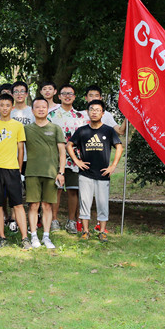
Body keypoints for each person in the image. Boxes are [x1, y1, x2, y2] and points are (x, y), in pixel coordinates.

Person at [67, 100, 123, 242]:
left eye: (98, 110)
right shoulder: (82, 130)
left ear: (103, 113)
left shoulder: (108, 130)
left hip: (103, 173)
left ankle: (102, 231)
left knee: (102, 203)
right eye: (92, 109)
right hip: (86, 173)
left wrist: (113, 166)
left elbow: (119, 147)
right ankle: (85, 231)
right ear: (88, 112)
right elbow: (69, 145)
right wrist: (77, 161)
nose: (94, 112)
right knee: (85, 203)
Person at [0, 94, 29, 249]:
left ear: (12, 107)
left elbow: (21, 149)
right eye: (1, 105)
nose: (4, 108)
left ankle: (25, 238)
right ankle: (2, 237)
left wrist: (19, 169)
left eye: (7, 105)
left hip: (12, 169)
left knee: (18, 204)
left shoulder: (17, 125)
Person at [25, 97, 66, 250]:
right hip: (32, 172)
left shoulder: (55, 128)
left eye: (44, 107)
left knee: (47, 205)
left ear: (48, 109)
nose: (41, 109)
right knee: (34, 205)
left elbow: (62, 152)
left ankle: (46, 236)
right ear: (32, 110)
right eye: (37, 107)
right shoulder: (26, 129)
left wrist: (61, 172)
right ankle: (34, 236)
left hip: (51, 173)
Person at [48, 83, 88, 234]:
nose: (67, 96)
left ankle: (71, 221)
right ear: (59, 96)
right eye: (64, 93)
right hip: (55, 157)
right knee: (56, 190)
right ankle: (54, 220)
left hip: (75, 158)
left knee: (73, 190)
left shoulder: (80, 117)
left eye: (70, 93)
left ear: (74, 97)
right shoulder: (51, 115)